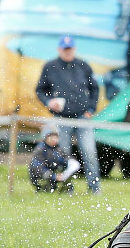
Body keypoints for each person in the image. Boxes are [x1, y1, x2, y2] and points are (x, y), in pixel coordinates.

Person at [35, 34, 101, 193]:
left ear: (74, 49)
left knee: (89, 153)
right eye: (65, 49)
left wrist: (91, 109)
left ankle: (94, 189)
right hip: (61, 118)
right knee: (63, 156)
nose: (67, 52)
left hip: (82, 118)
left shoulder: (83, 66)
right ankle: (67, 188)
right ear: (59, 49)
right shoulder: (50, 67)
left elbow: (95, 89)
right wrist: (48, 102)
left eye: (70, 49)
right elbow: (40, 90)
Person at [29, 124, 75, 193]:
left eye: (56, 137)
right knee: (44, 179)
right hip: (44, 176)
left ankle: (65, 189)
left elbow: (65, 158)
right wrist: (54, 176)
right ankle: (44, 189)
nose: (54, 139)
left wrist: (70, 162)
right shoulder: (40, 150)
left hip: (54, 174)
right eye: (51, 137)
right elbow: (38, 168)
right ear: (46, 137)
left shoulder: (58, 148)